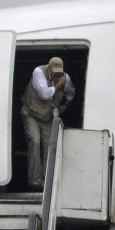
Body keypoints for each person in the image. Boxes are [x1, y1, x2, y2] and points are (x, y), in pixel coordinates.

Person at [20, 56, 76, 190]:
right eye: (54, 71)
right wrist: (58, 85)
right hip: (31, 114)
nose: (57, 74)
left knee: (49, 147)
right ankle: (34, 182)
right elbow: (44, 94)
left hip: (48, 117)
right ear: (49, 68)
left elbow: (71, 92)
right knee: (35, 141)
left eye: (59, 71)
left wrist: (66, 105)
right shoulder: (39, 72)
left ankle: (46, 183)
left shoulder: (65, 78)